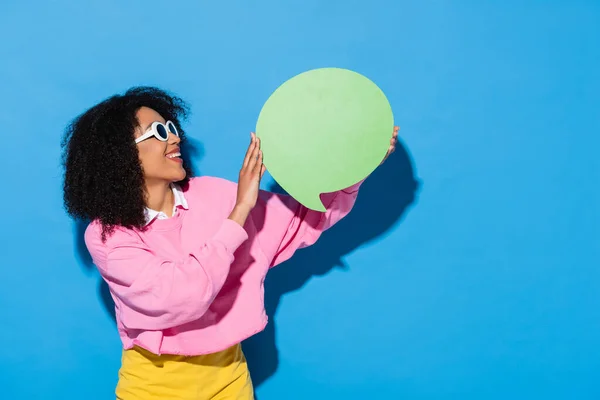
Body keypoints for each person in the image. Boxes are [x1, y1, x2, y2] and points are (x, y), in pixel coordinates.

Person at [61, 86, 398, 400]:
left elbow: (305, 218)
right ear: (119, 155)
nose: (174, 137)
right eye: (159, 132)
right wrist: (238, 215)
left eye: (171, 126)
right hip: (155, 386)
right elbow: (179, 297)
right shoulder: (109, 235)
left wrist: (357, 164)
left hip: (230, 377)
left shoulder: (212, 194)